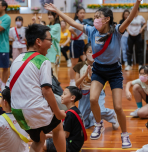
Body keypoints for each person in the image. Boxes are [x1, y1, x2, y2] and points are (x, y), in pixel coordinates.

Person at [44, 0, 141, 148]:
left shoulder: (117, 31)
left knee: (118, 107)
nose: (95, 19)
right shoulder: (91, 31)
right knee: (93, 99)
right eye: (94, 17)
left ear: (107, 19)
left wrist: (138, 2)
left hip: (114, 71)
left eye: (98, 16)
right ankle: (98, 124)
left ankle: (125, 134)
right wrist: (58, 12)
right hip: (99, 70)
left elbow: (129, 18)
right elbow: (72, 22)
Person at [6, 23, 66, 152]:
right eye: (50, 40)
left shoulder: (16, 60)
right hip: (36, 110)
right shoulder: (42, 60)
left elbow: (8, 89)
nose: (51, 43)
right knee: (58, 127)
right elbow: (47, 90)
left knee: (39, 140)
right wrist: (58, 113)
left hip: (18, 111)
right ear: (38, 41)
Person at [73, 43, 119, 129]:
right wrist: (84, 75)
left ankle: (112, 115)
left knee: (100, 111)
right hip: (84, 94)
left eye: (94, 52)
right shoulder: (79, 66)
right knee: (82, 121)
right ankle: (93, 119)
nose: (92, 54)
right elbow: (76, 83)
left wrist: (92, 75)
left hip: (97, 92)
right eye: (90, 52)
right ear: (84, 53)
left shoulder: (99, 66)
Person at [44, 86, 84, 152]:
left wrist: (48, 135)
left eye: (64, 94)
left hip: (71, 146)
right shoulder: (76, 111)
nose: (61, 96)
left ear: (72, 98)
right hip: (77, 143)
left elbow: (65, 135)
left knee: (42, 144)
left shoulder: (70, 114)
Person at [37, 12, 61, 79]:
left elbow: (47, 33)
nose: (49, 17)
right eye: (48, 15)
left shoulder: (57, 26)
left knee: (53, 72)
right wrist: (40, 21)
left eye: (51, 15)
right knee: (47, 71)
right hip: (47, 50)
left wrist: (40, 22)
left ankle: (55, 88)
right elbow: (42, 30)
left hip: (53, 52)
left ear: (55, 15)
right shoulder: (48, 26)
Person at [69, 7, 86, 86]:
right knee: (74, 64)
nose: (82, 14)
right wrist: (75, 35)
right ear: (77, 14)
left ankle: (84, 78)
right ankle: (72, 81)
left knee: (85, 61)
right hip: (75, 43)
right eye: (81, 13)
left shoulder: (82, 22)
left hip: (81, 43)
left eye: (83, 13)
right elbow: (70, 29)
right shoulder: (76, 21)